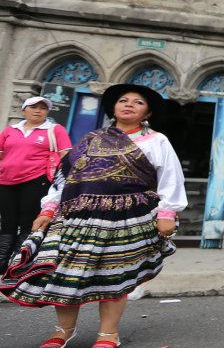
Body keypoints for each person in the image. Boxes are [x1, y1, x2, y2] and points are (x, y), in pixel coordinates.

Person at [2, 84, 186, 348]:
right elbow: (65, 176)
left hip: (127, 217)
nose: (129, 104)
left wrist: (167, 213)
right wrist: (48, 209)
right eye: (123, 100)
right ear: (113, 108)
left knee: (115, 274)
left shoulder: (157, 141)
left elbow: (171, 178)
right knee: (64, 272)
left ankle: (108, 334)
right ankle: (63, 330)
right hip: (78, 216)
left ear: (147, 113)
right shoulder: (90, 139)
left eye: (138, 102)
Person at [0, 97, 72, 268]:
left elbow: (66, 157)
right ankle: (2, 262)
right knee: (7, 221)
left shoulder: (55, 130)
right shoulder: (11, 129)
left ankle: (18, 264)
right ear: (24, 110)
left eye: (42, 108)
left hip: (36, 180)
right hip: (5, 180)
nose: (38, 110)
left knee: (27, 222)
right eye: (33, 107)